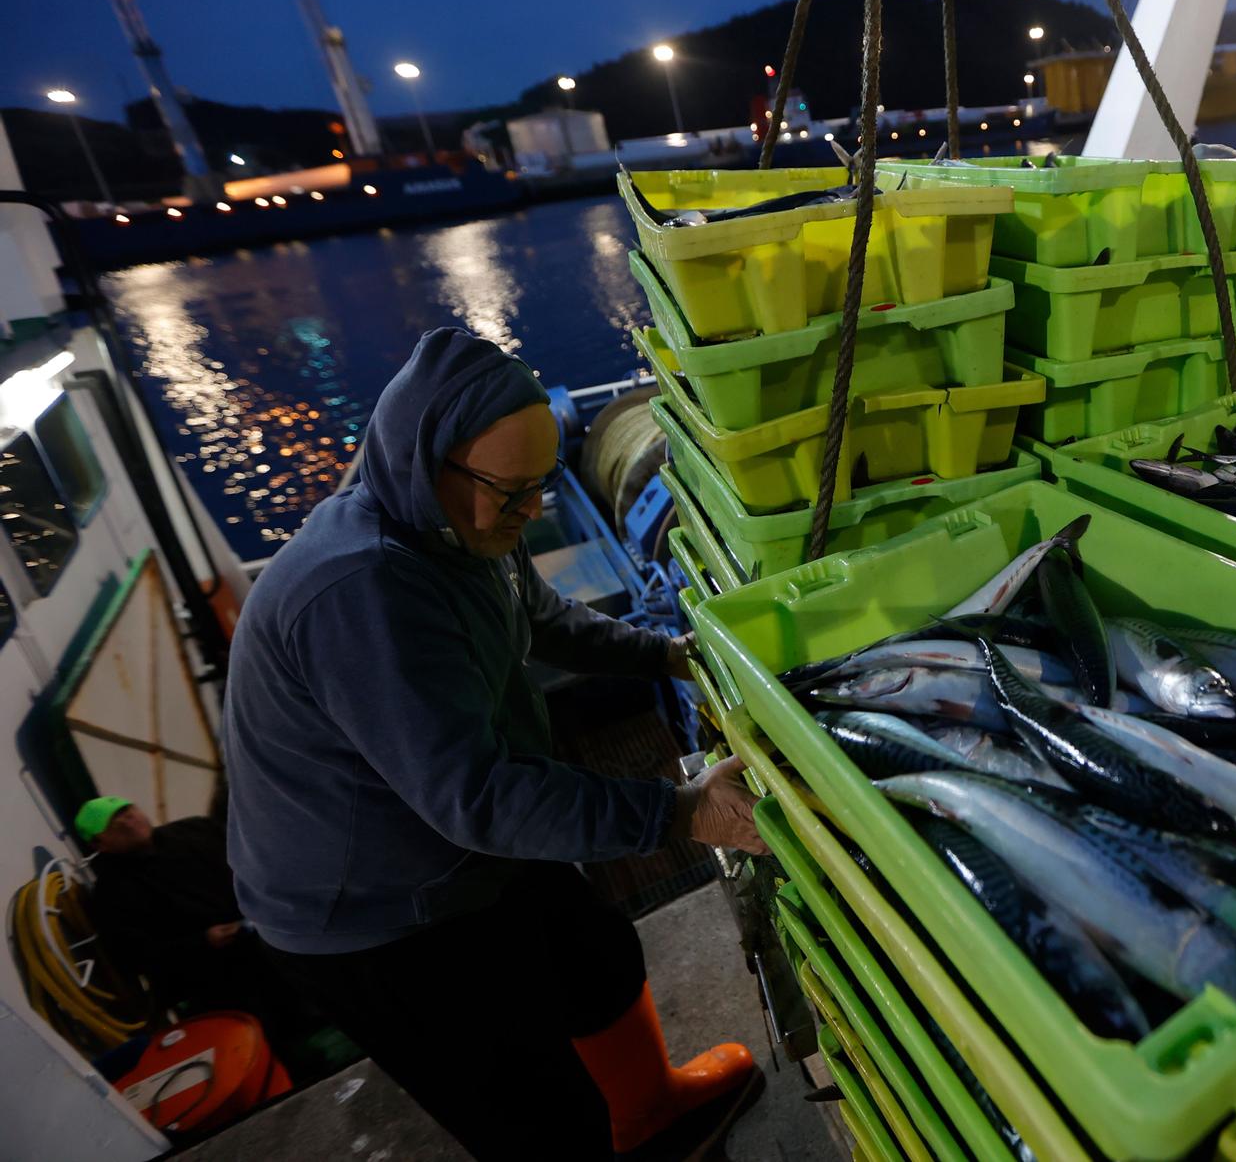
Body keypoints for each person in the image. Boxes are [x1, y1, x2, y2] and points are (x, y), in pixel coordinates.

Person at [223, 327, 767, 1161]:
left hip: (456, 833)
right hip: (366, 906)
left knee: (594, 958)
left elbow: (543, 620)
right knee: (532, 1108)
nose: (530, 512)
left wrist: (667, 654)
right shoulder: (362, 590)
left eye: (540, 488)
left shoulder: (468, 530)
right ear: (425, 462)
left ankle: (650, 1111)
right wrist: (685, 811)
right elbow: (478, 798)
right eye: (509, 493)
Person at [76, 796, 320, 1052]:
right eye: (113, 822)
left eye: (127, 811)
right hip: (218, 981)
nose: (127, 820)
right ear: (99, 843)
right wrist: (204, 940)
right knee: (274, 1044)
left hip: (277, 941)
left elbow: (256, 856)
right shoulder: (111, 894)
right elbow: (135, 956)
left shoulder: (196, 830)